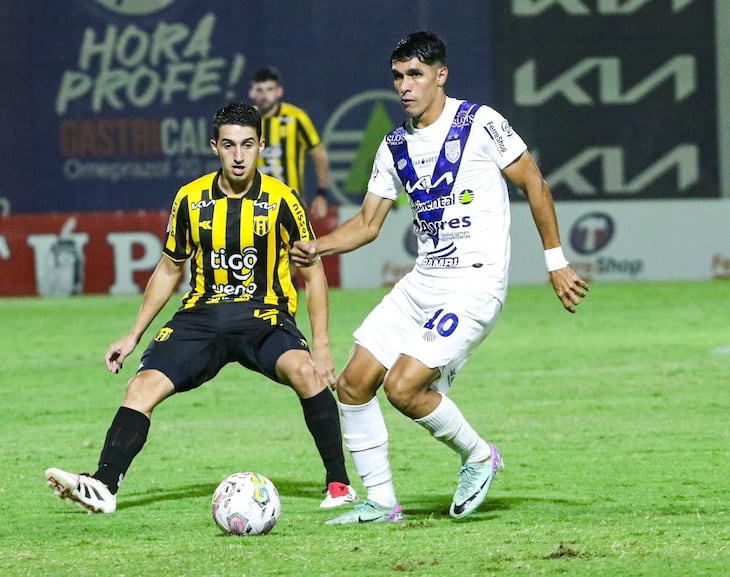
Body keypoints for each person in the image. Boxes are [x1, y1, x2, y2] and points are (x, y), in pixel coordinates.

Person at [292, 31, 589, 524]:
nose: (405, 86)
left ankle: (477, 456)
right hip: (422, 283)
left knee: (404, 388)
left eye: (415, 75)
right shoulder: (393, 146)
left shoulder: (480, 123)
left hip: (475, 284)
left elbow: (534, 182)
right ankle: (382, 502)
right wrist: (315, 245)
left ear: (440, 75)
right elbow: (368, 225)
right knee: (352, 383)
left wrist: (555, 261)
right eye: (397, 76)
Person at [46, 102, 357, 514]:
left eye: (248, 144)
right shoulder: (190, 199)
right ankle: (103, 487)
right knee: (140, 388)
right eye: (229, 145)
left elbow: (313, 273)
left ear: (261, 145)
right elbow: (170, 267)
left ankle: (339, 485)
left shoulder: (283, 200)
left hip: (263, 317)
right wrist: (133, 334)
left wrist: (321, 345)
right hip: (202, 317)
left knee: (305, 372)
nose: (239, 155)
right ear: (215, 147)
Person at [249, 67, 330, 220]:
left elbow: (319, 154)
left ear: (279, 91)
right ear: (252, 93)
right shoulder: (245, 120)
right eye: (259, 90)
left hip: (291, 204)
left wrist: (321, 194)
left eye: (269, 89)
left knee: (295, 244)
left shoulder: (296, 118)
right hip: (254, 206)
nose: (264, 95)